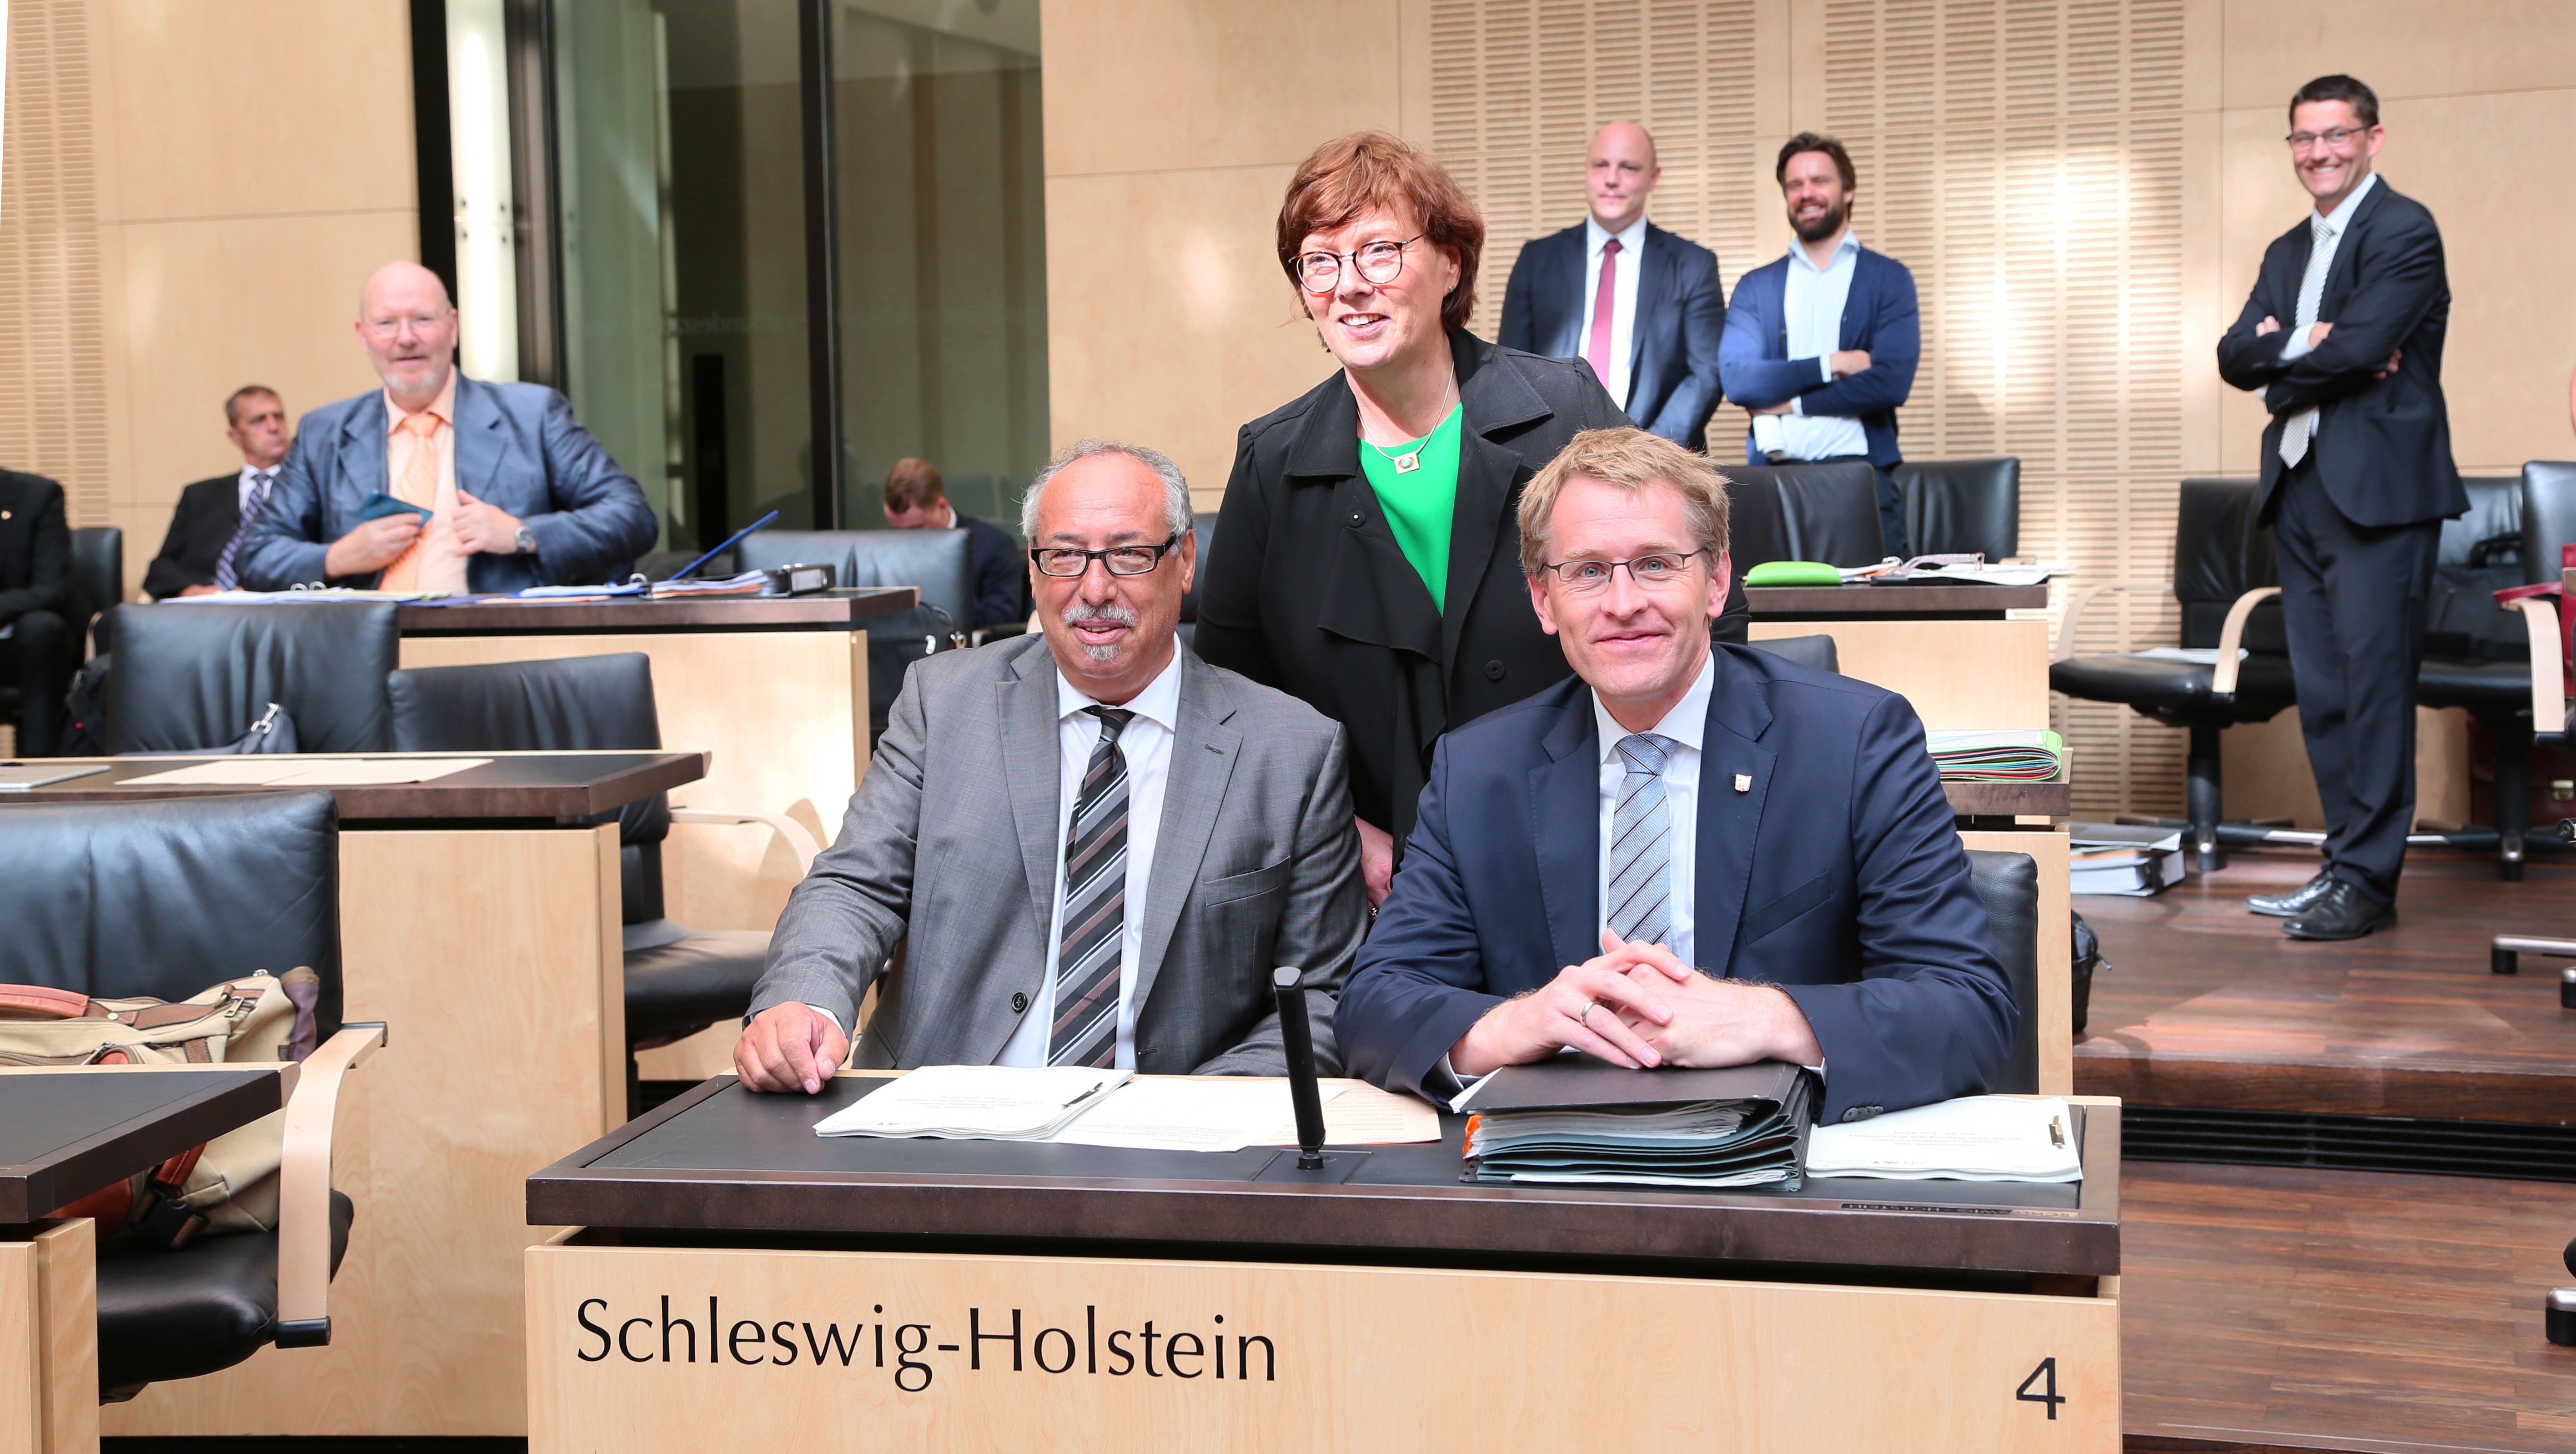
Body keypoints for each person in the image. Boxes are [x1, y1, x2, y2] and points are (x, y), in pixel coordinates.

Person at [1335, 428, 2015, 1124]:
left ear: (1716, 581)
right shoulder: (1479, 770)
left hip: (1777, 1175)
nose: (1623, 602)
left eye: (1656, 564)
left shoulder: (1855, 743)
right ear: (1544, 599)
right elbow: (1375, 1002)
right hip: (1550, 1169)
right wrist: (1516, 1024)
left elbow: (1967, 1007)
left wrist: (1764, 1017)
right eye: (1588, 571)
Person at [1196, 130, 1750, 910]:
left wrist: (1646, 803)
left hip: (1590, 862)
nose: (1350, 285)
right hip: (1372, 893)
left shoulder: (1564, 409)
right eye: (1320, 260)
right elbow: (1229, 698)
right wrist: (1339, 829)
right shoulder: (1272, 460)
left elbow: (1702, 606)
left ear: (1451, 262)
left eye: (1380, 251)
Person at [734, 440, 1367, 1093]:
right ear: (1034, 571)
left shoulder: (1292, 750)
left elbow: (1323, 993)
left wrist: (1188, 1110)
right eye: (1064, 556)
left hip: (1169, 1148)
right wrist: (803, 1003)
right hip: (941, 1124)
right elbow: (857, 884)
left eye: (1128, 554)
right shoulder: (942, 703)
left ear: (1183, 562)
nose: (1093, 589)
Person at [2216, 75, 2461, 941]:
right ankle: (2341, 867)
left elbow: (2361, 343)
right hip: (2303, 484)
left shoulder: (2404, 228)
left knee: (2374, 691)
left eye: (2336, 135)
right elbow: (2231, 354)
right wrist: (2310, 346)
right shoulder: (2288, 249)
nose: (2319, 152)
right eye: (2303, 139)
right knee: (2325, 694)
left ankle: (2369, 881)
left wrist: (2305, 352)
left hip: (2381, 495)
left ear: (2373, 139)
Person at [236, 262, 657, 593]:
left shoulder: (532, 414)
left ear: (452, 327)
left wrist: (522, 534)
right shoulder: (323, 433)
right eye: (386, 324)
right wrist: (338, 557)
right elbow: (255, 556)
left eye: (422, 319)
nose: (405, 338)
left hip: (498, 649)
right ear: (363, 336)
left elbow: (631, 518)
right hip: (364, 656)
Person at [1718, 133, 1922, 560]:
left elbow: (1889, 384)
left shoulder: (1889, 279)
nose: (1807, 193)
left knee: (1877, 618)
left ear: (1848, 190)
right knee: (1769, 617)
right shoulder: (1757, 287)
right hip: (1773, 482)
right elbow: (1739, 381)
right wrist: (1835, 363)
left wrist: (1787, 404)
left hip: (1864, 478)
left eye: (1819, 180)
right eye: (1795, 185)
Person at [1497, 121, 1727, 450]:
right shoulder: (1536, 260)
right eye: (1600, 165)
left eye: (1629, 168)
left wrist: (1648, 452)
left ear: (1654, 178)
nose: (1611, 179)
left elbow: (1705, 375)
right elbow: (1513, 369)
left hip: (1660, 461)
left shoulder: (1692, 264)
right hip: (1553, 460)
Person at [144, 386, 291, 599]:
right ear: (235, 437)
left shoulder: (308, 490)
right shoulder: (199, 496)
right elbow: (161, 567)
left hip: (272, 606)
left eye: (279, 417)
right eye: (258, 420)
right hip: (205, 608)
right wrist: (191, 591)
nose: (273, 427)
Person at [881, 455, 1029, 632]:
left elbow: (1000, 620)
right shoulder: (885, 550)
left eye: (916, 528)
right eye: (897, 529)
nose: (905, 538)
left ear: (942, 507)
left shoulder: (993, 546)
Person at [0, 468, 71, 756]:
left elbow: (51, 589)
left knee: (42, 629)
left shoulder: (36, 495)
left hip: (14, 638)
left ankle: (39, 765)